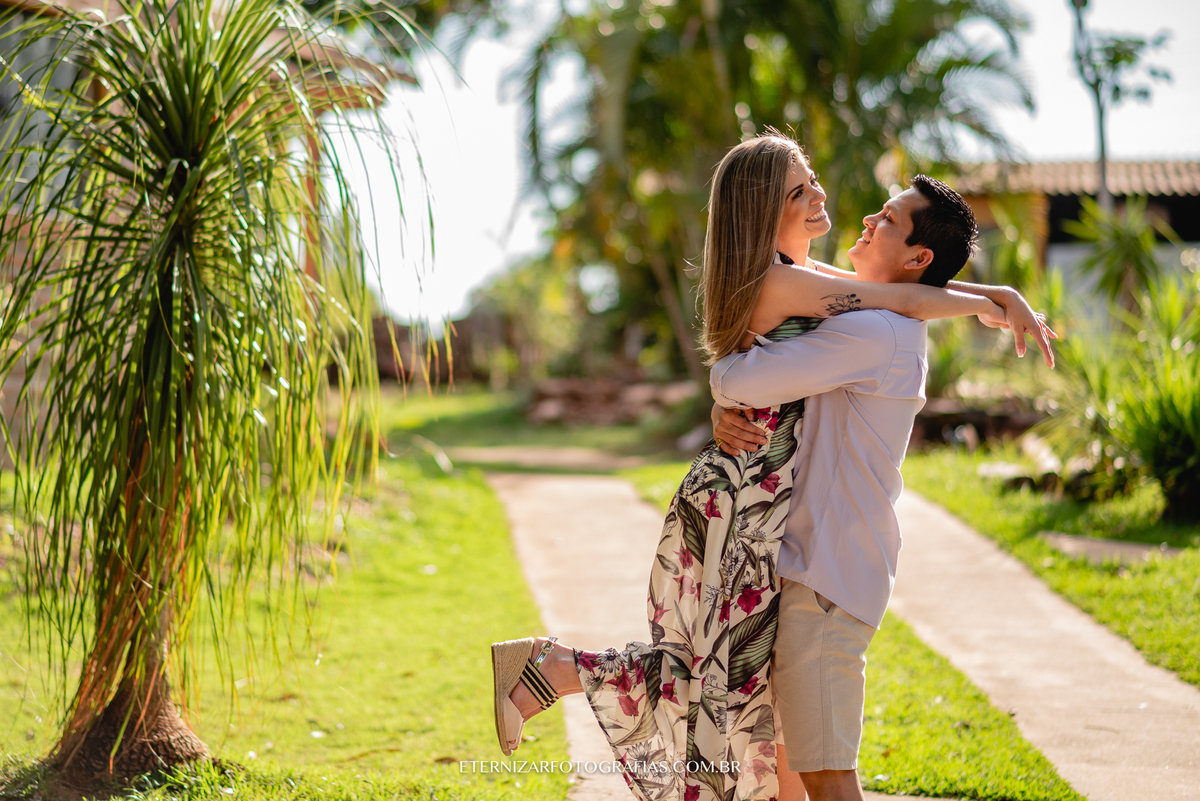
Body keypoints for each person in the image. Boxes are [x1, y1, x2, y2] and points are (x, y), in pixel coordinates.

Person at [490, 131, 1052, 801]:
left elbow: (903, 295)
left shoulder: (829, 292)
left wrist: (994, 296)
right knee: (719, 693)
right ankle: (546, 669)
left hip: (768, 517)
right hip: (749, 508)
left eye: (811, 178)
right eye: (799, 189)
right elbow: (893, 301)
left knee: (725, 696)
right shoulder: (798, 285)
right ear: (764, 210)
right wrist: (992, 300)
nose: (827, 196)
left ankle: (547, 669)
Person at [708, 174, 1049, 801]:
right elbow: (903, 295)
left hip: (826, 578)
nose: (867, 220)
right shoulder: (879, 316)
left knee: (827, 774)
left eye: (888, 221)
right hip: (823, 568)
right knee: (792, 770)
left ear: (918, 257)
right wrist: (993, 293)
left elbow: (744, 381)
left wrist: (721, 382)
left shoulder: (873, 331)